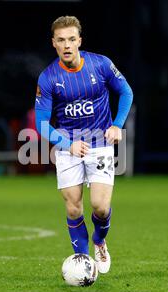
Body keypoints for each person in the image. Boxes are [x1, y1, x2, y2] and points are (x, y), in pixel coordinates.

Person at [34, 16, 133, 274]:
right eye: (61, 40)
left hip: (100, 143)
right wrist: (67, 144)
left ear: (79, 40)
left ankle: (99, 241)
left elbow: (126, 92)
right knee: (73, 205)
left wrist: (117, 124)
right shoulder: (47, 78)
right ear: (53, 43)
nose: (66, 45)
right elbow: (42, 124)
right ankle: (82, 260)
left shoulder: (101, 64)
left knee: (100, 207)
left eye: (71, 39)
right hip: (69, 147)